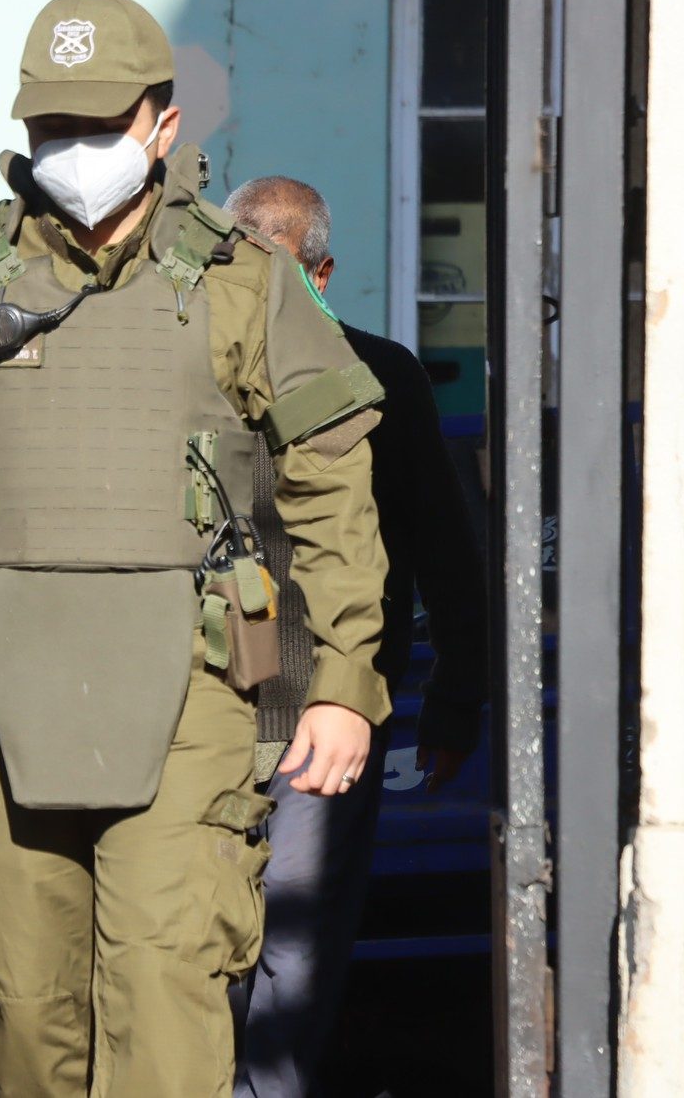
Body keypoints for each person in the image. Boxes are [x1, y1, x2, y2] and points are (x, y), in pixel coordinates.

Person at [0, 0, 392, 1096]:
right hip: (8, 702)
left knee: (166, 1008)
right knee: (22, 1007)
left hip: (193, 697)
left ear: (161, 126)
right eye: (50, 127)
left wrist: (344, 680)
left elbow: (332, 489)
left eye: (98, 125)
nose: (72, 151)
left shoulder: (240, 282)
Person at [222, 176, 489, 1098]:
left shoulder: (380, 378)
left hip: (323, 696)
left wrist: (456, 699)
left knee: (291, 937)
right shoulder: (193, 374)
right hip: (208, 693)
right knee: (207, 936)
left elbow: (448, 553)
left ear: (322, 274)